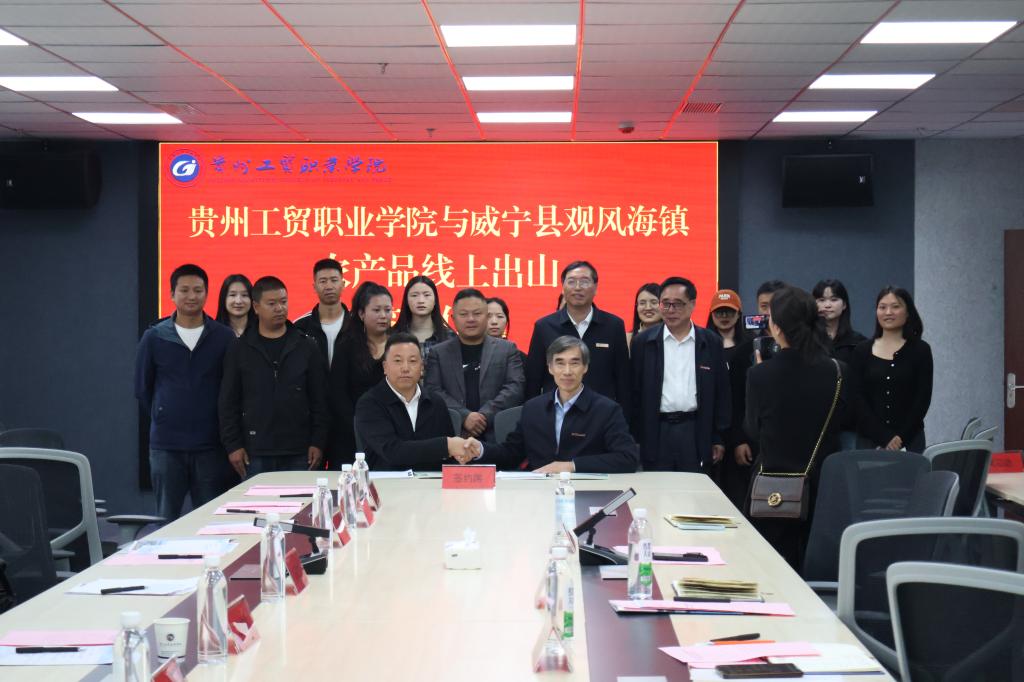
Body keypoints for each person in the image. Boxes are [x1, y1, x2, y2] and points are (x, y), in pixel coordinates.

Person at [744, 286, 849, 570]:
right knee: (819, 571)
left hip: (772, 491)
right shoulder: (838, 371)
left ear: (776, 326)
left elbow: (752, 430)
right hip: (823, 487)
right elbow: (843, 422)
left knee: (772, 569)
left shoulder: (759, 374)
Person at [135, 264, 236, 520]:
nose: (192, 296)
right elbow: (143, 389)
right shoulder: (154, 337)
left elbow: (232, 389)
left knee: (211, 521)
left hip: (210, 446)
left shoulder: (223, 337)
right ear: (172, 294)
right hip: (166, 446)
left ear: (207, 293)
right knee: (166, 520)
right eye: (184, 290)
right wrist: (164, 414)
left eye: (198, 290)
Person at [469, 336, 638, 473]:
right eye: (560, 363)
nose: (567, 371)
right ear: (550, 368)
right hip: (539, 491)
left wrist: (571, 466)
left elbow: (627, 458)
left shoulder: (606, 409)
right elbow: (512, 453)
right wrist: (480, 449)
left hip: (584, 489)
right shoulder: (533, 408)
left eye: (574, 363)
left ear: (585, 367)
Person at [219, 276, 329, 477]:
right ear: (256, 307)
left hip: (300, 450)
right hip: (254, 451)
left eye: (283, 302)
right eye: (272, 304)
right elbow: (228, 401)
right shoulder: (239, 348)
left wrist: (318, 442)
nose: (280, 308)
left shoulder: (306, 346)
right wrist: (233, 445)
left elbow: (320, 400)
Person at [631, 276, 730, 473]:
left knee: (694, 487)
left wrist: (718, 437)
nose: (670, 310)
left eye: (677, 304)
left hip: (695, 429)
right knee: (656, 487)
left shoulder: (710, 342)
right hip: (656, 430)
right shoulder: (643, 342)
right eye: (665, 304)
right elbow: (634, 392)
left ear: (692, 304)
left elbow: (722, 392)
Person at [354, 332, 480, 470]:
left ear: (422, 367)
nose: (405, 368)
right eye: (398, 361)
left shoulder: (436, 402)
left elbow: (449, 459)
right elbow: (392, 451)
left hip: (431, 482)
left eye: (413, 361)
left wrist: (462, 453)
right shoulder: (370, 403)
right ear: (385, 367)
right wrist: (446, 445)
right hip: (385, 481)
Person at [524, 261, 630, 416]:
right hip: (556, 413)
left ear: (596, 288)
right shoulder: (544, 326)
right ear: (563, 287)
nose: (578, 287)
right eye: (571, 281)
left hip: (601, 415)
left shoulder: (613, 325)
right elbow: (533, 379)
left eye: (584, 281)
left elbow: (623, 379)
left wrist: (623, 419)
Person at [425, 289, 524, 439]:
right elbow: (433, 390)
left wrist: (483, 416)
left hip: (497, 435)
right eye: (463, 314)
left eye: (477, 313)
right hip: (453, 434)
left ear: (486, 316)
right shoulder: (438, 353)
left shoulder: (507, 349)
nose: (470, 319)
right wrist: (464, 416)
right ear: (453, 318)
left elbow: (515, 388)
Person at [850, 286, 932, 453]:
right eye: (882, 307)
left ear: (908, 312)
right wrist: (883, 437)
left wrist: (899, 438)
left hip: (910, 440)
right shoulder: (861, 351)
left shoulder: (921, 350)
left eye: (895, 306)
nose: (888, 312)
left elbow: (922, 399)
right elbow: (857, 398)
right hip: (869, 441)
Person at [327, 281, 391, 464]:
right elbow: (337, 393)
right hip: (351, 432)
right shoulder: (347, 345)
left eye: (387, 310)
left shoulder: (399, 343)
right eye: (376, 310)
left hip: (391, 433)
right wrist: (358, 425)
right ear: (362, 314)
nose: (383, 315)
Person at [705, 288, 756, 511]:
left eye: (729, 312)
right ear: (711, 314)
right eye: (719, 312)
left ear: (739, 314)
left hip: (740, 428)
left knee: (738, 492)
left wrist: (739, 438)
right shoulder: (702, 344)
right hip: (710, 427)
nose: (724, 317)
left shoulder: (751, 347)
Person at [294, 258, 348, 369]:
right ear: (314, 287)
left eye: (334, 280)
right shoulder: (300, 327)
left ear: (343, 284)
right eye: (323, 281)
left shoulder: (358, 323)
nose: (329, 287)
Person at [392, 275, 454, 360]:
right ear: (406, 301)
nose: (421, 300)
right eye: (414, 295)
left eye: (427, 295)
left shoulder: (449, 337)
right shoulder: (392, 336)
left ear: (435, 300)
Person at [812, 279, 866, 365]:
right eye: (822, 300)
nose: (827, 305)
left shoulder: (857, 342)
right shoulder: (806, 339)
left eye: (834, 299)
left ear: (844, 305)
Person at [626, 282, 662, 348]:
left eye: (654, 302)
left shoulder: (673, 337)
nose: (648, 308)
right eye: (642, 303)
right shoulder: (626, 339)